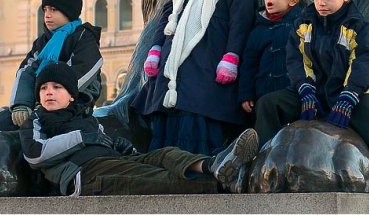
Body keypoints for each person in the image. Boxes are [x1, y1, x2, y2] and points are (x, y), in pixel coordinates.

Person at [254, 0, 369, 212]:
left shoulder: (359, 26)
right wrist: (305, 90)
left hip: (351, 92)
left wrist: (350, 95)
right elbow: (297, 62)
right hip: (314, 92)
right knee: (269, 104)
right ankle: (260, 167)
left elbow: (365, 62)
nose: (321, 3)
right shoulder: (303, 23)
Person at [20, 62, 258, 196]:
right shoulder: (37, 120)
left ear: (71, 96)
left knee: (163, 155)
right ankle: (228, 183)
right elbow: (35, 154)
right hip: (87, 176)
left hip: (112, 163)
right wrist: (81, 138)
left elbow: (101, 142)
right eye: (43, 89)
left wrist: (123, 148)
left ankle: (215, 165)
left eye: (56, 87)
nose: (48, 92)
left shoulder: (86, 118)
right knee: (161, 179)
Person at [132, 0, 255, 155]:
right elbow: (170, 12)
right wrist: (156, 48)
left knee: (197, 118)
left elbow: (241, 19)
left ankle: (198, 176)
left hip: (208, 60)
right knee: (168, 119)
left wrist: (231, 56)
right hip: (175, 61)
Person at [0, 0, 103, 131]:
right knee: (3, 121)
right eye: (45, 10)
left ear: (68, 12)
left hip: (75, 101)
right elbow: (27, 71)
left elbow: (82, 72)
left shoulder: (84, 37)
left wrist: (51, 98)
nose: (47, 15)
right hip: (42, 99)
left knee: (48, 124)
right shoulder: (42, 41)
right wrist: (21, 104)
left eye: (53, 10)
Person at [239, 0, 303, 116]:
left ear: (293, 0)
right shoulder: (258, 30)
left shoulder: (302, 25)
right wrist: (246, 93)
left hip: (294, 95)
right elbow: (249, 65)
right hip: (264, 94)